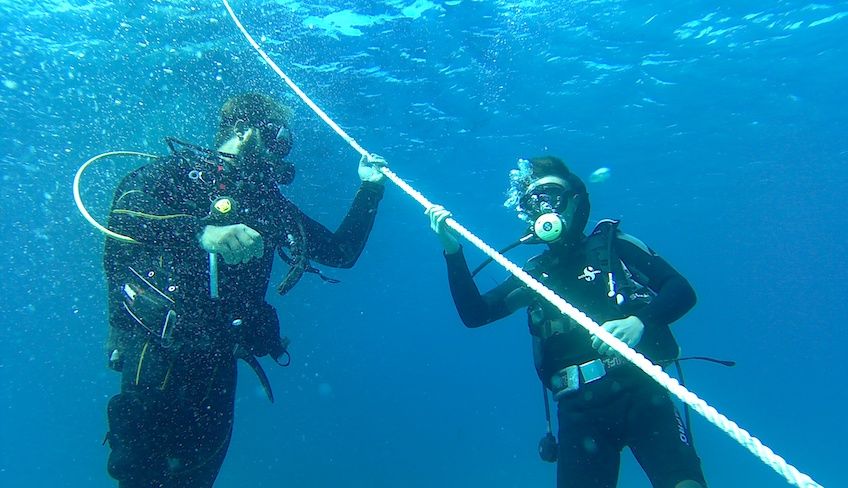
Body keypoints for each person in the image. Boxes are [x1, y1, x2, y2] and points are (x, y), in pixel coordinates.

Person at [102, 92, 386, 488]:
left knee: (196, 479)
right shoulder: (180, 173)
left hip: (220, 361)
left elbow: (340, 252)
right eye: (274, 137)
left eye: (285, 143)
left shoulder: (269, 204)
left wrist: (370, 190)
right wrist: (204, 232)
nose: (279, 151)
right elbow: (125, 216)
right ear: (240, 129)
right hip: (161, 354)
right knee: (142, 478)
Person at [425, 156, 707, 488]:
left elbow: (681, 291)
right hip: (578, 411)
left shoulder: (613, 246)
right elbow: (476, 314)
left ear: (574, 200)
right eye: (533, 201)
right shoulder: (534, 275)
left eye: (551, 195)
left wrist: (640, 322)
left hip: (641, 390)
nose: (544, 206)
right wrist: (451, 250)